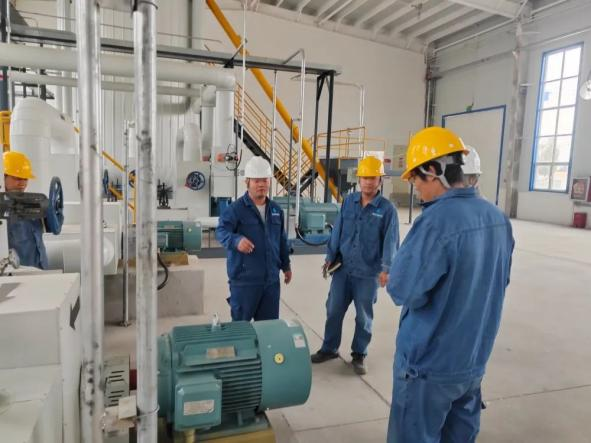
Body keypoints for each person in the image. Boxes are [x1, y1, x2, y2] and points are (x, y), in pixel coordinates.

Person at [386, 127, 514, 443]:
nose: (416, 189)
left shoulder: (435, 222)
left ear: (433, 170)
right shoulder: (498, 219)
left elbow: (403, 290)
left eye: (416, 180)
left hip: (428, 368)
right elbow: (499, 281)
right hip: (472, 362)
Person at [310, 156, 399, 375]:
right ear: (358, 180)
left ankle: (359, 354)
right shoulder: (349, 201)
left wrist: (387, 269)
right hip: (343, 269)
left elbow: (391, 241)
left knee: (363, 316)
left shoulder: (387, 210)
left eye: (372, 178)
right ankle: (329, 348)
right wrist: (330, 256)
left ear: (380, 180)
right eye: (364, 178)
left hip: (368, 273)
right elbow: (338, 229)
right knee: (333, 310)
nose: (368, 182)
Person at [216, 156, 292, 321]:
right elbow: (221, 231)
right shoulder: (235, 209)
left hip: (271, 282)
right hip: (245, 282)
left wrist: (286, 266)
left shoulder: (276, 210)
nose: (261, 184)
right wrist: (236, 241)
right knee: (241, 329)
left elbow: (281, 240)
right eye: (257, 181)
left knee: (268, 329)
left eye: (265, 180)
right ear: (247, 182)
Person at [3, 151, 49, 269]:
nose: (22, 183)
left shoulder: (33, 203)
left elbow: (53, 228)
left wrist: (54, 212)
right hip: (17, 272)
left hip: (41, 268)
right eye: (17, 178)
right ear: (3, 176)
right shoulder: (2, 212)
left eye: (25, 179)